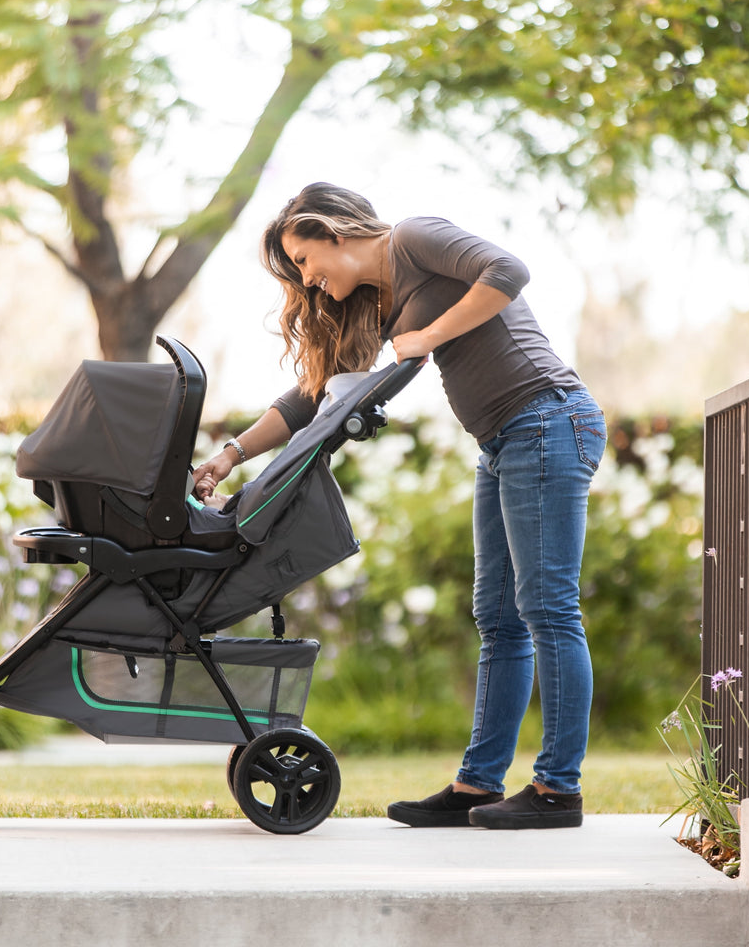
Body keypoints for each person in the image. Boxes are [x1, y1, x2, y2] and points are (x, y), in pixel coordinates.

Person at [192, 182, 607, 830]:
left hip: (549, 419)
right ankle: (477, 785)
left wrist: (431, 334)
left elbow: (509, 271)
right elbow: (312, 396)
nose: (308, 278)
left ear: (334, 232)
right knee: (497, 618)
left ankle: (558, 791)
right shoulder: (373, 307)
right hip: (501, 441)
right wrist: (230, 455)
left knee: (547, 607)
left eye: (305, 259)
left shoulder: (412, 237)